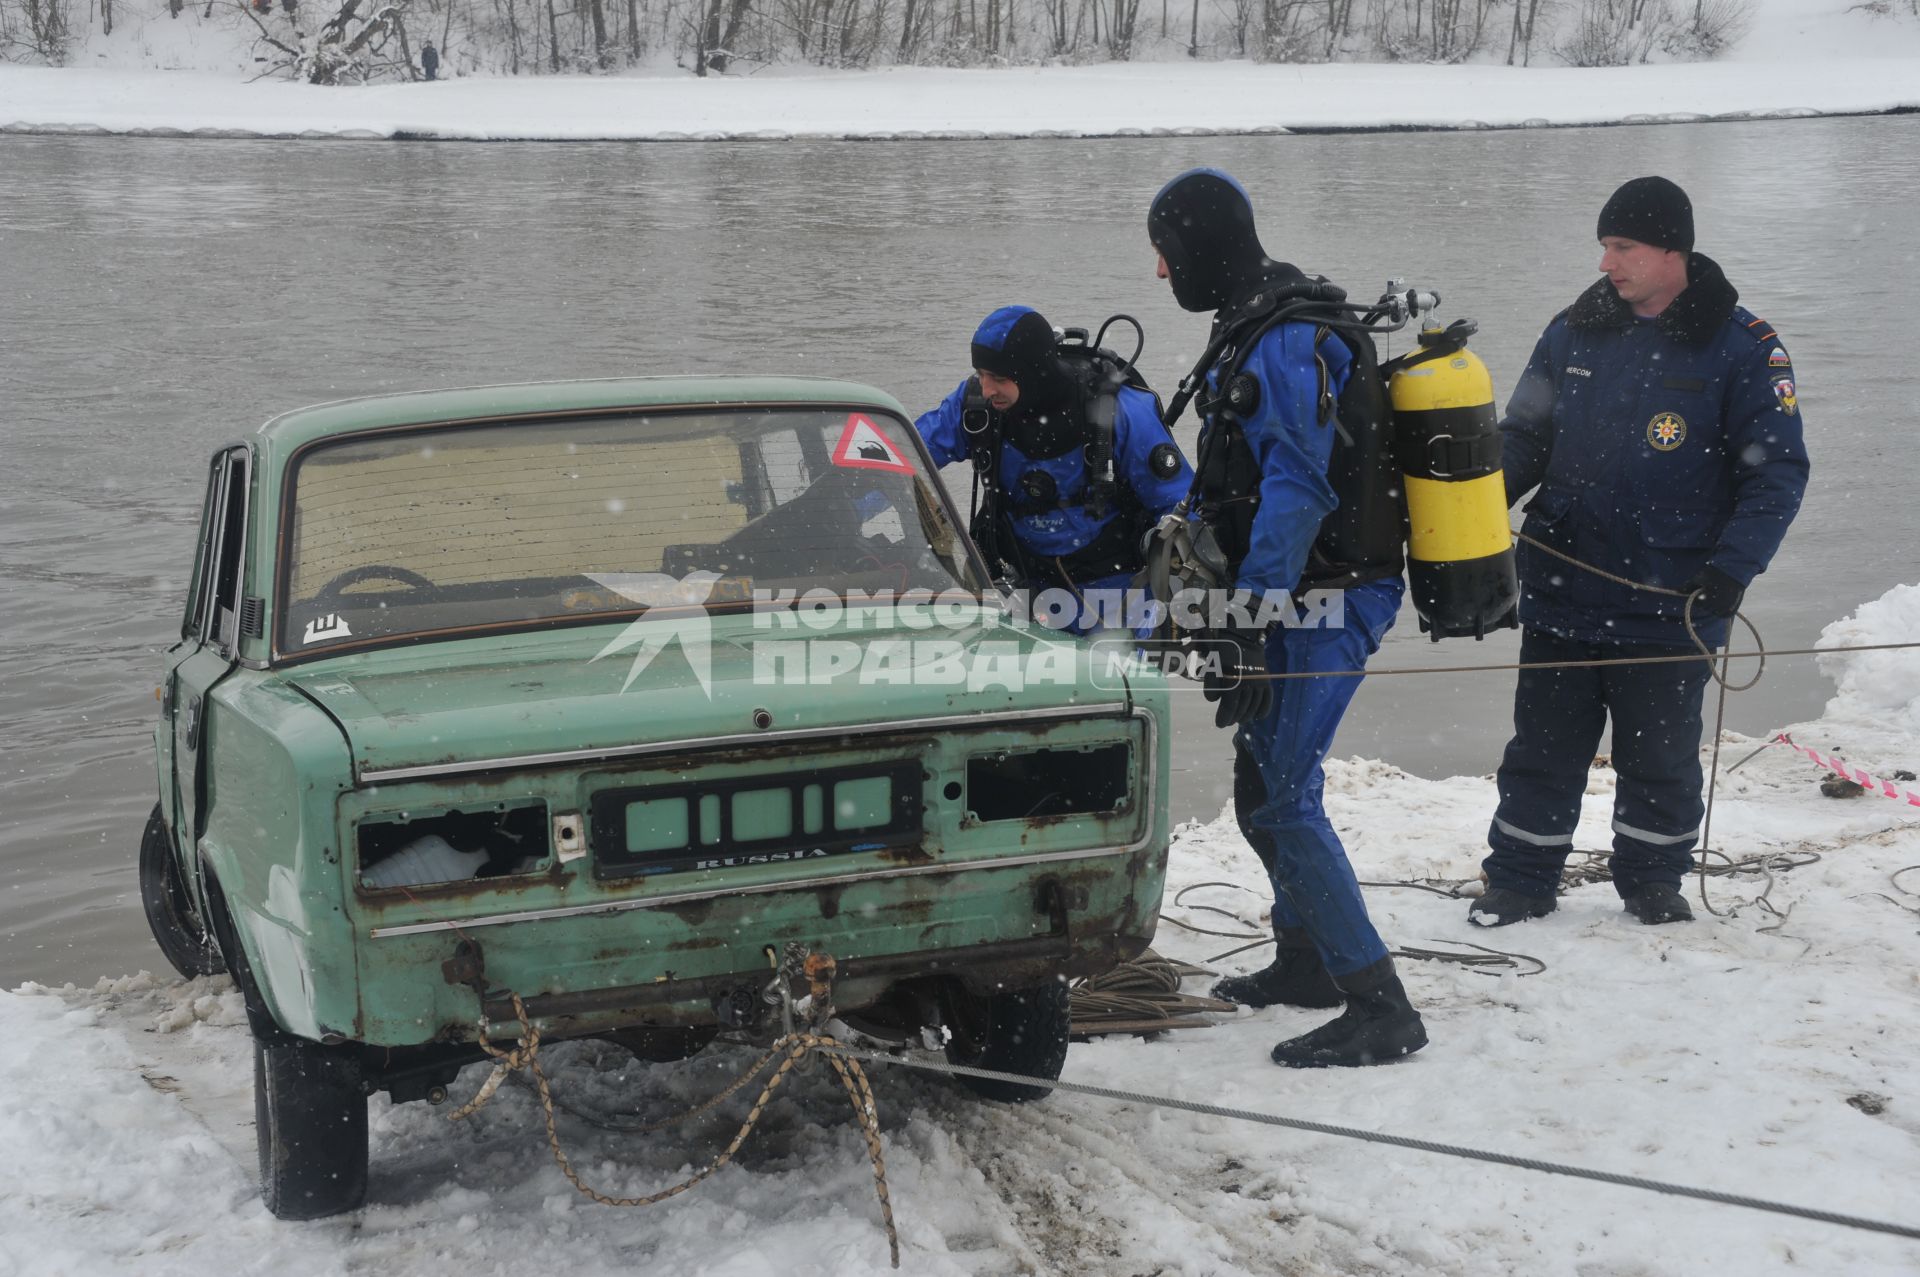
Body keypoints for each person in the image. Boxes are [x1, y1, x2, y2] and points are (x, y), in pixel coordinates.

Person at [1473, 176, 1810, 929]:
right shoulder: (1572, 330)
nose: (1606, 264)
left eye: (1622, 247)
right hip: (1564, 581)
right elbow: (1524, 435)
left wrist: (1733, 570)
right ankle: (1522, 878)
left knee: (1659, 757)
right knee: (1542, 748)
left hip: (1674, 599)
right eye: (1604, 246)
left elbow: (1777, 474)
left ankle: (1653, 880)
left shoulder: (1744, 346)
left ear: (1671, 250)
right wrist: (1470, 510)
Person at [1147, 168, 1425, 1068]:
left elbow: (1300, 488)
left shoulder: (1282, 337)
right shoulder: (1254, 324)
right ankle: (1304, 959)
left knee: (1288, 796)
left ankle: (1378, 1002)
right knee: (1260, 789)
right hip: (1294, 591)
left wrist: (1255, 616)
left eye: (1166, 253)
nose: (1161, 273)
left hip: (1330, 593)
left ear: (1200, 249)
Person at [915, 306, 1191, 632]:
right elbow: (900, 455)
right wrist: (850, 510)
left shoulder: (1120, 412)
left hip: (1113, 594)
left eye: (999, 378)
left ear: (1031, 372)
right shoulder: (975, 408)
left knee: (1114, 682)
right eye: (981, 374)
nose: (987, 389)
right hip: (1018, 589)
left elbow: (1182, 510)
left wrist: (1183, 604)